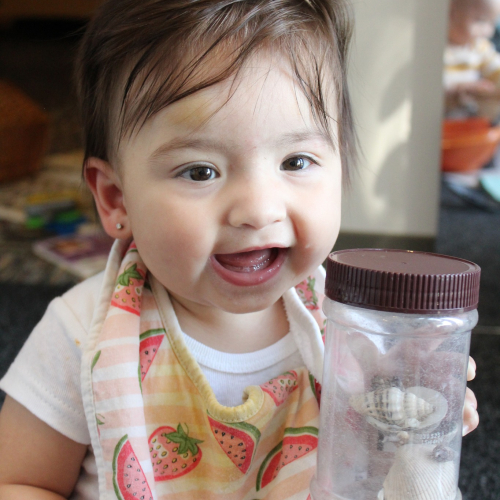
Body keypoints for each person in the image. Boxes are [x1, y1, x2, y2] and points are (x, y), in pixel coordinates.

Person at [0, 0, 479, 498]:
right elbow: (19, 480)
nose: (257, 210)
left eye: (295, 161)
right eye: (200, 171)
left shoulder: (351, 331)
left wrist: (414, 414)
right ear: (116, 198)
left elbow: (373, 473)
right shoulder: (80, 336)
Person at [445, 0, 500, 119]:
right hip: (440, 123)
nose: (489, 32)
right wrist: (458, 89)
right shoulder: (434, 51)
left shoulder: (479, 47)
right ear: (450, 13)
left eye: (492, 23)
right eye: (481, 20)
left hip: (468, 121)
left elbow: (496, 68)